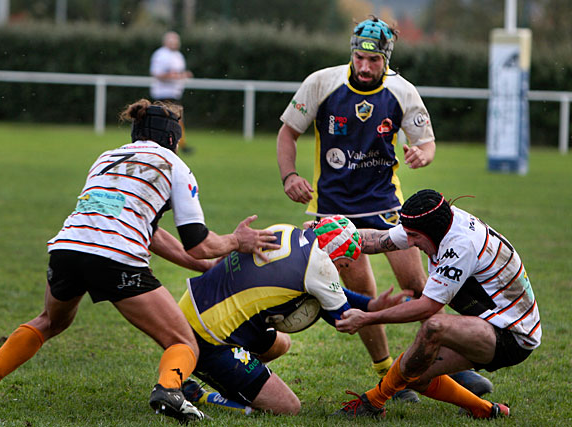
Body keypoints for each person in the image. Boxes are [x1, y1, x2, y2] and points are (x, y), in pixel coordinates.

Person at [0, 99, 280, 423]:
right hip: (116, 259)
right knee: (183, 342)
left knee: (50, 321)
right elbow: (198, 243)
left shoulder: (107, 157)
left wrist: (207, 267)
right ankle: (169, 390)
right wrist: (237, 241)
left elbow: (149, 232)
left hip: (67, 248)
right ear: (173, 136)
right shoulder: (173, 164)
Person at [276, 15, 437, 386]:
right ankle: (387, 375)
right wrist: (290, 176)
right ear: (352, 53)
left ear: (387, 59)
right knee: (363, 296)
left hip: (384, 206)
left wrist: (421, 155)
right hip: (333, 213)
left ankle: (443, 366)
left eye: (374, 60)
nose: (364, 67)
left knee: (420, 288)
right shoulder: (321, 83)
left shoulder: (403, 92)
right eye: (359, 58)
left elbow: (426, 143)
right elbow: (288, 133)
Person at [332, 189, 541, 419]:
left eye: (413, 236)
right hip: (487, 325)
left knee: (434, 326)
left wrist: (367, 318)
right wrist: (333, 234)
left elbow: (425, 308)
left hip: (512, 335)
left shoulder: (460, 245)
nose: (409, 242)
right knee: (417, 373)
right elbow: (380, 241)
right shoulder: (437, 224)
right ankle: (484, 410)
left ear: (431, 231)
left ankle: (372, 402)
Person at [176, 216, 413, 415]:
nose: (340, 272)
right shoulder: (321, 265)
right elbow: (343, 319)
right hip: (208, 340)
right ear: (336, 255)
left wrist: (371, 304)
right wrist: (379, 311)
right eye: (343, 265)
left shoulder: (286, 230)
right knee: (288, 406)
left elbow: (327, 294)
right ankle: (199, 395)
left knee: (280, 344)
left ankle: (240, 378)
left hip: (187, 313)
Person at [150, 31, 194, 153]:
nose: (175, 43)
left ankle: (179, 145)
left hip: (175, 93)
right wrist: (173, 76)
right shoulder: (160, 55)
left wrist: (183, 75)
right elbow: (157, 74)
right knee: (166, 122)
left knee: (177, 120)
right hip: (163, 94)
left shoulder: (178, 55)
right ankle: (163, 145)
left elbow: (178, 73)